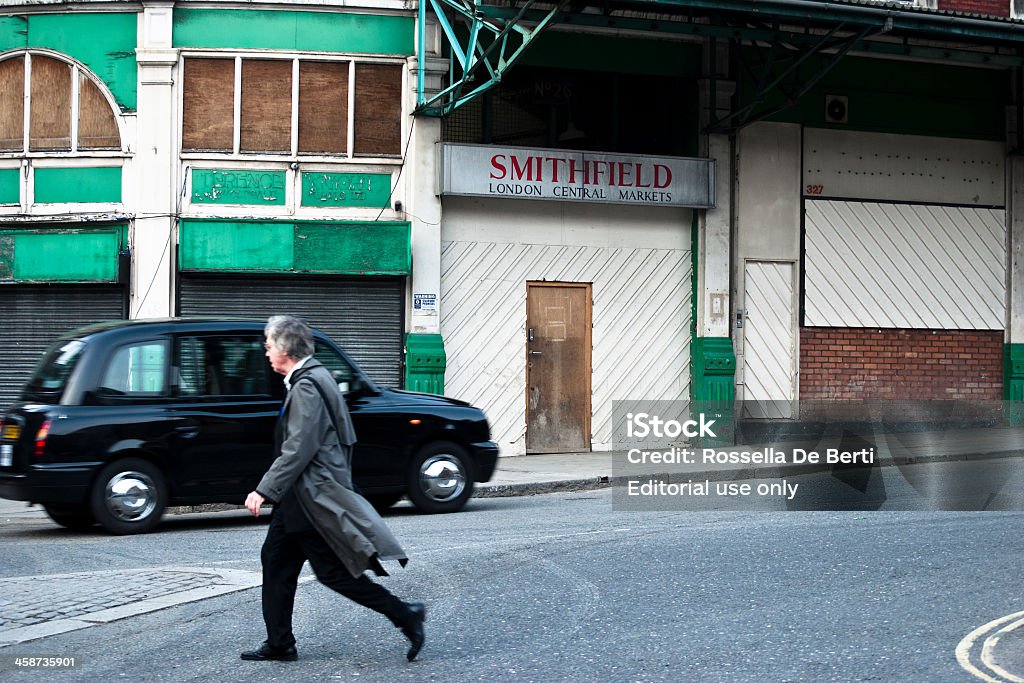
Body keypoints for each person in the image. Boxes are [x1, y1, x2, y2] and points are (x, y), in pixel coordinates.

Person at [241, 315, 425, 663]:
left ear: (285, 349)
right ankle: (280, 642)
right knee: (277, 561)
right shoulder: (316, 377)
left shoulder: (308, 386)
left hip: (310, 497)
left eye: (268, 346)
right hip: (300, 495)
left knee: (333, 574)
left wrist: (264, 490)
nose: (265, 352)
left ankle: (406, 615)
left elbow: (299, 448)